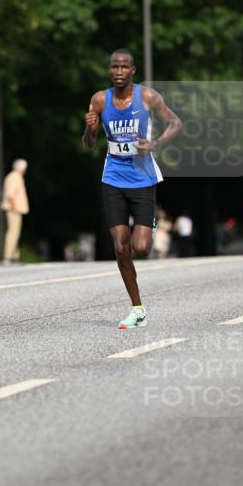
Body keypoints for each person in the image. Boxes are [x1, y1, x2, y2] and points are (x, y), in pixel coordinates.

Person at [82, 48, 182, 329]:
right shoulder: (99, 100)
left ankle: (147, 226)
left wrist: (155, 144)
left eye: (124, 67)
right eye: (114, 67)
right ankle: (137, 309)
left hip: (143, 179)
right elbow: (89, 145)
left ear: (133, 71)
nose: (118, 72)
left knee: (140, 248)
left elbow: (176, 122)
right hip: (113, 178)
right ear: (109, 70)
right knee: (120, 246)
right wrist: (90, 129)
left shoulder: (147, 96)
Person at [2, 158, 29, 264]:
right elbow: (10, 195)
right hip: (13, 209)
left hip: (14, 208)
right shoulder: (15, 177)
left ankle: (14, 256)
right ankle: (8, 256)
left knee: (15, 233)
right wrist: (14, 207)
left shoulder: (14, 176)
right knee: (13, 233)